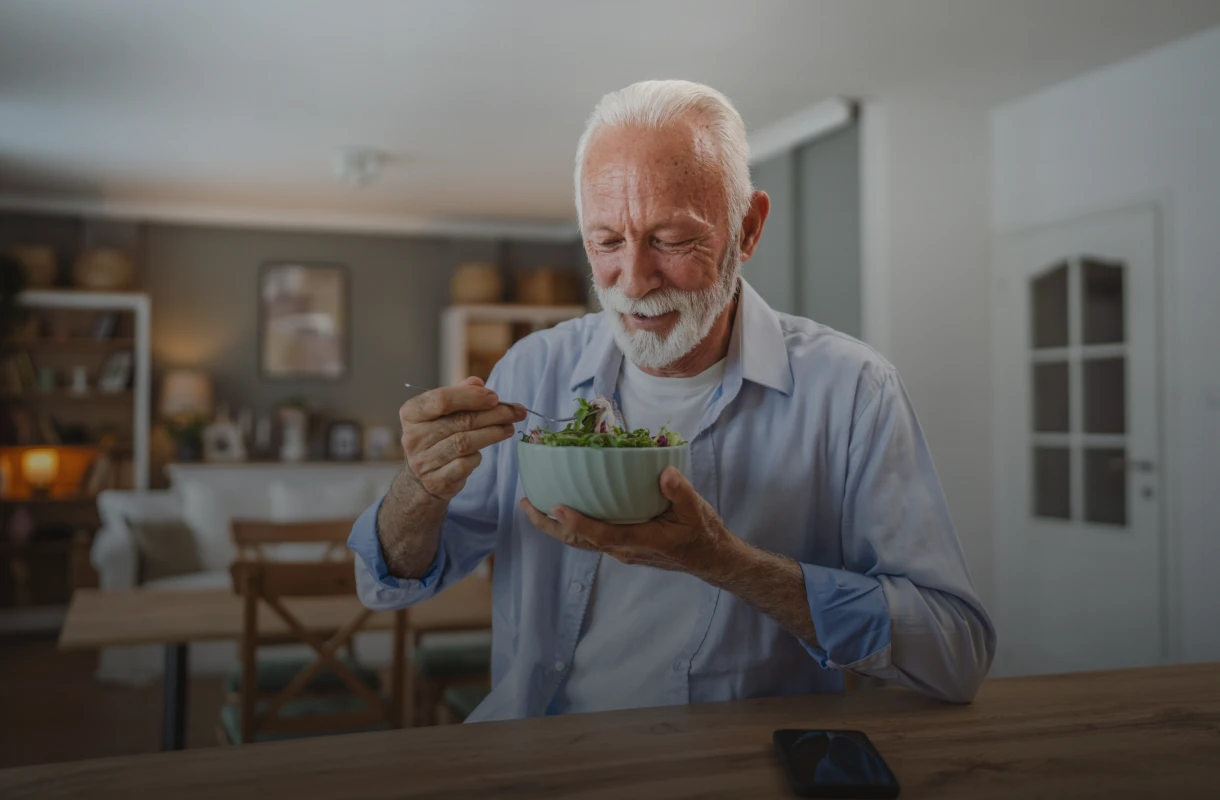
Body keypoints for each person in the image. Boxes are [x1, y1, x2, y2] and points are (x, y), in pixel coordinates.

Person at [349, 79, 995, 722]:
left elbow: (956, 649)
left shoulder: (853, 393)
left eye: (671, 240)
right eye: (606, 242)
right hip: (536, 761)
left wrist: (725, 563)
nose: (634, 281)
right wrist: (421, 487)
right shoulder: (531, 371)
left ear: (748, 229)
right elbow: (391, 581)